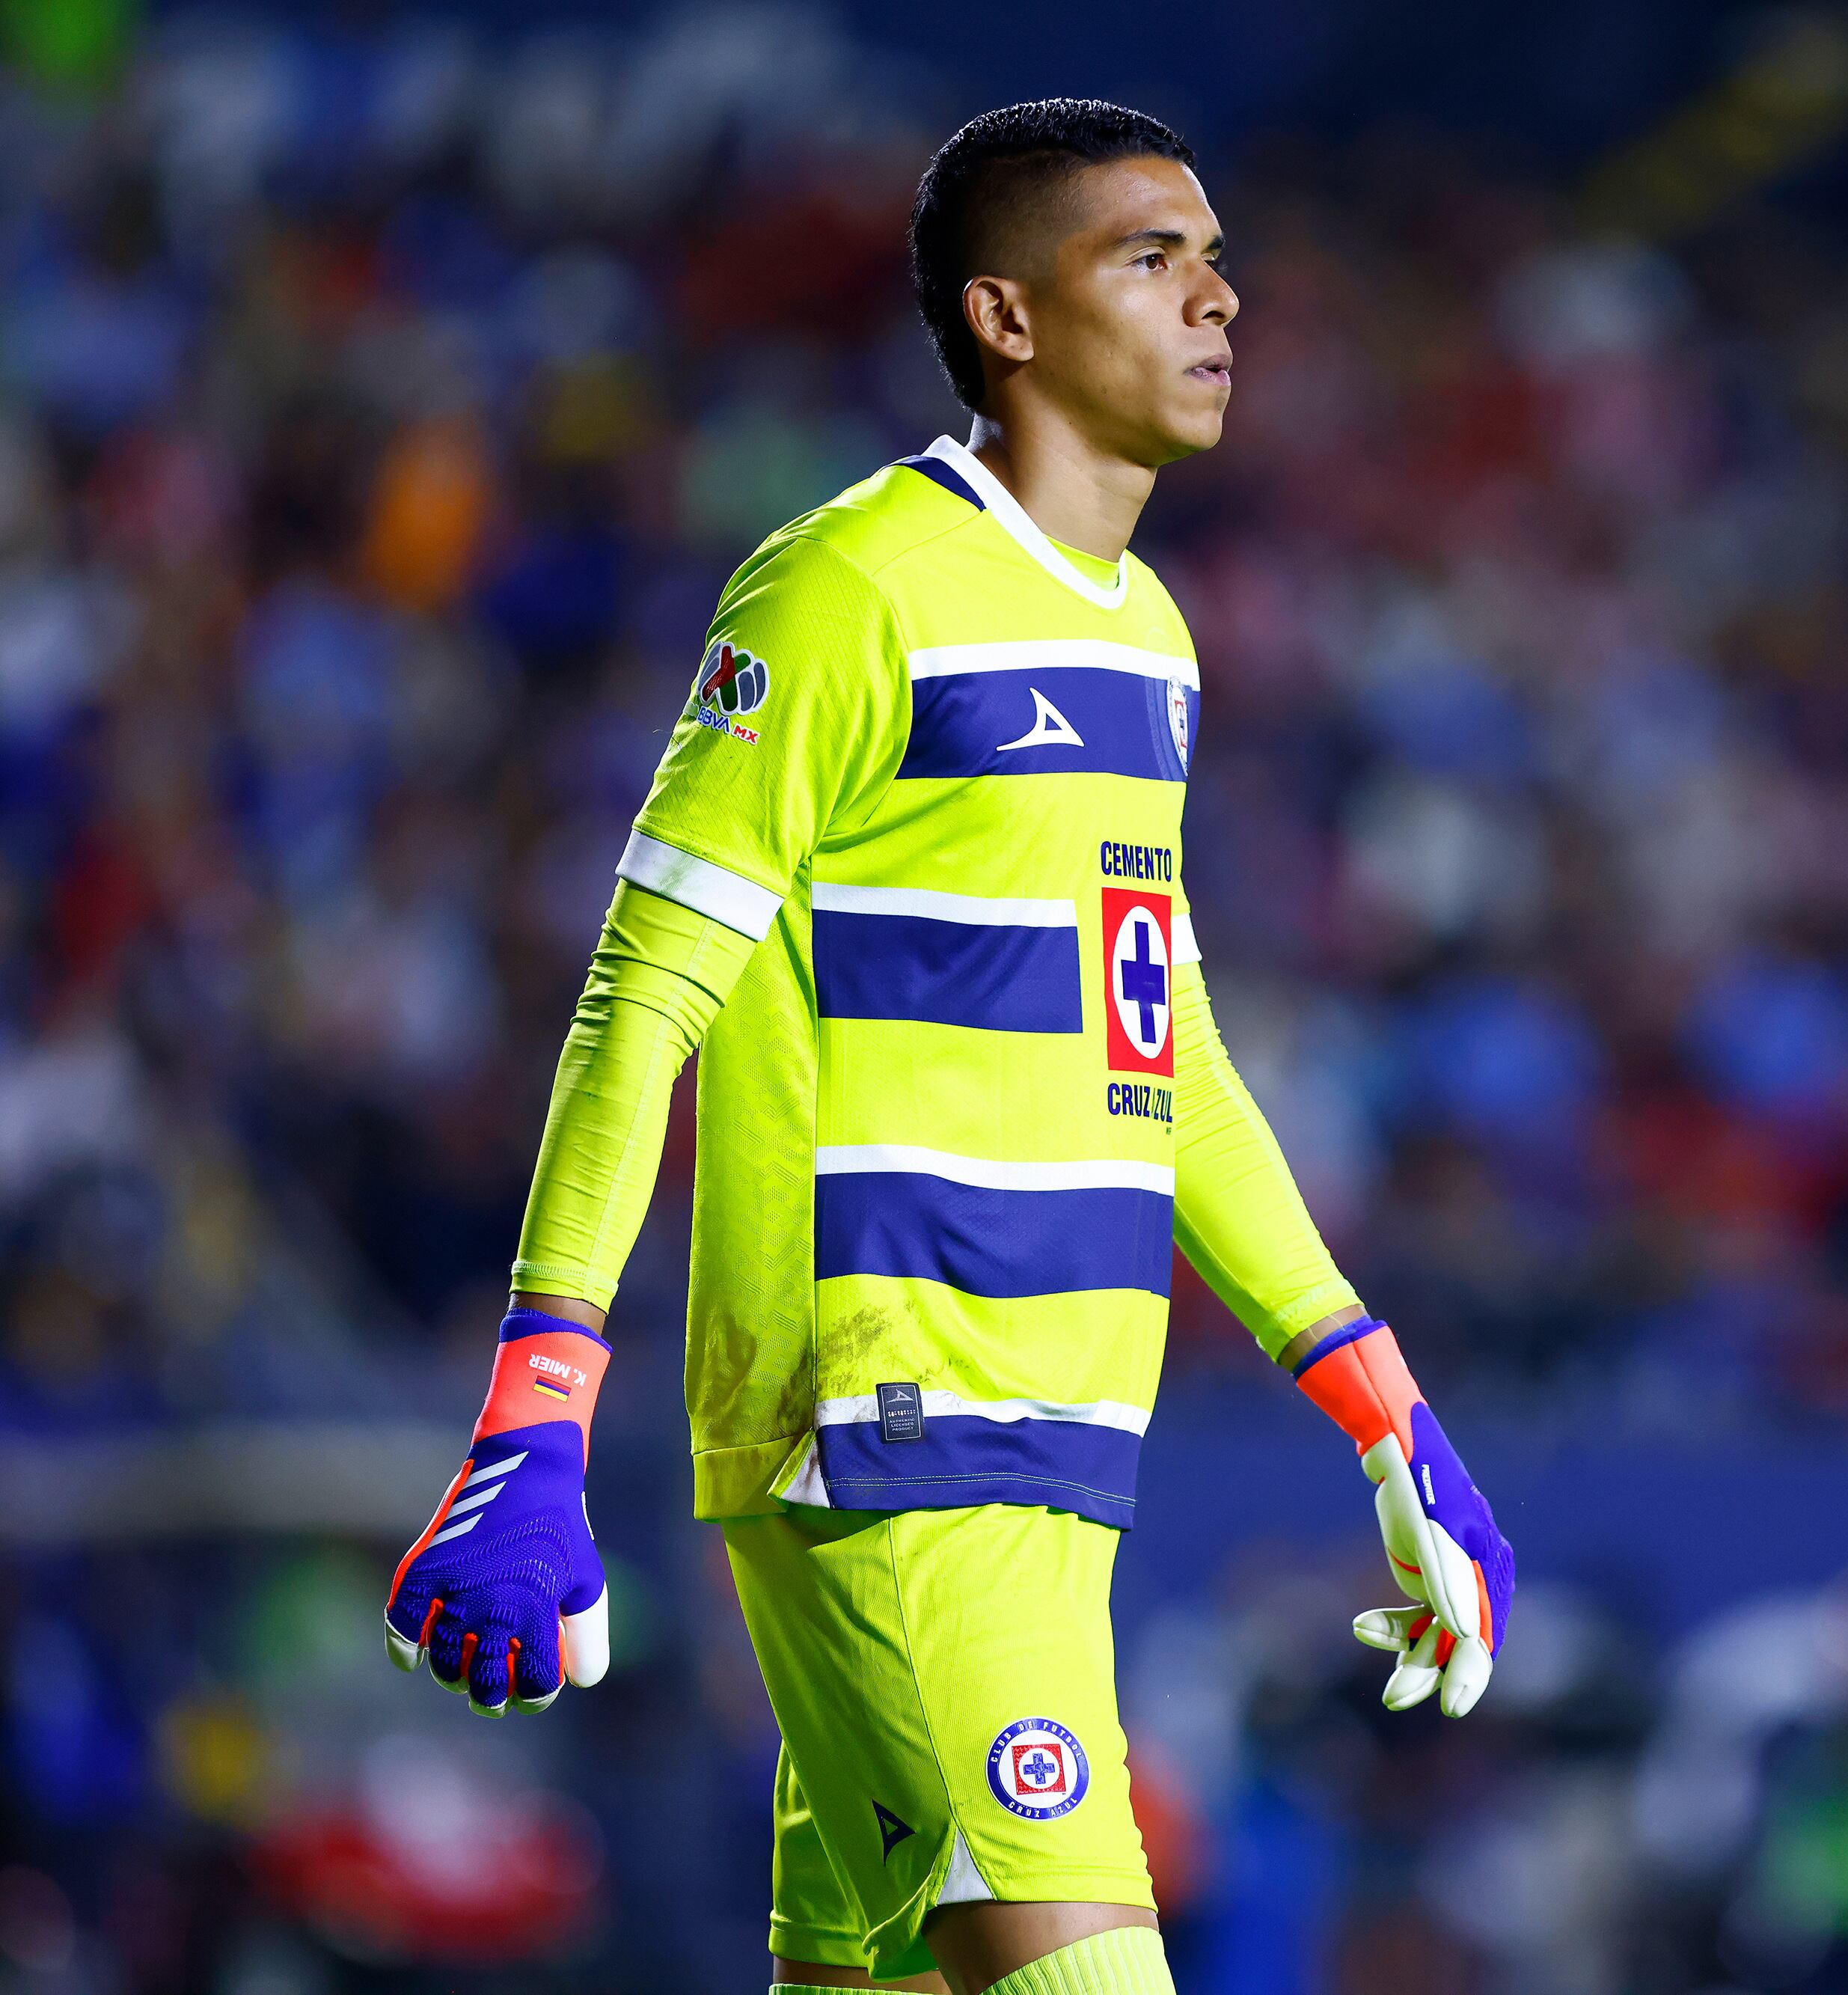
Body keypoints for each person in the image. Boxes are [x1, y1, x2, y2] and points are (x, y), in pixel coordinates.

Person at [376, 99, 1515, 1995]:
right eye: (1151, 258)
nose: (1217, 295)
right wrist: (534, 1408)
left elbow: (1167, 1051)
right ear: (1006, 317)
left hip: (1054, 1452)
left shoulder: (1148, 634)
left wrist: (1380, 1407)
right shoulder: (841, 587)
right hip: (895, 1421)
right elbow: (637, 990)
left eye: (1216, 254)